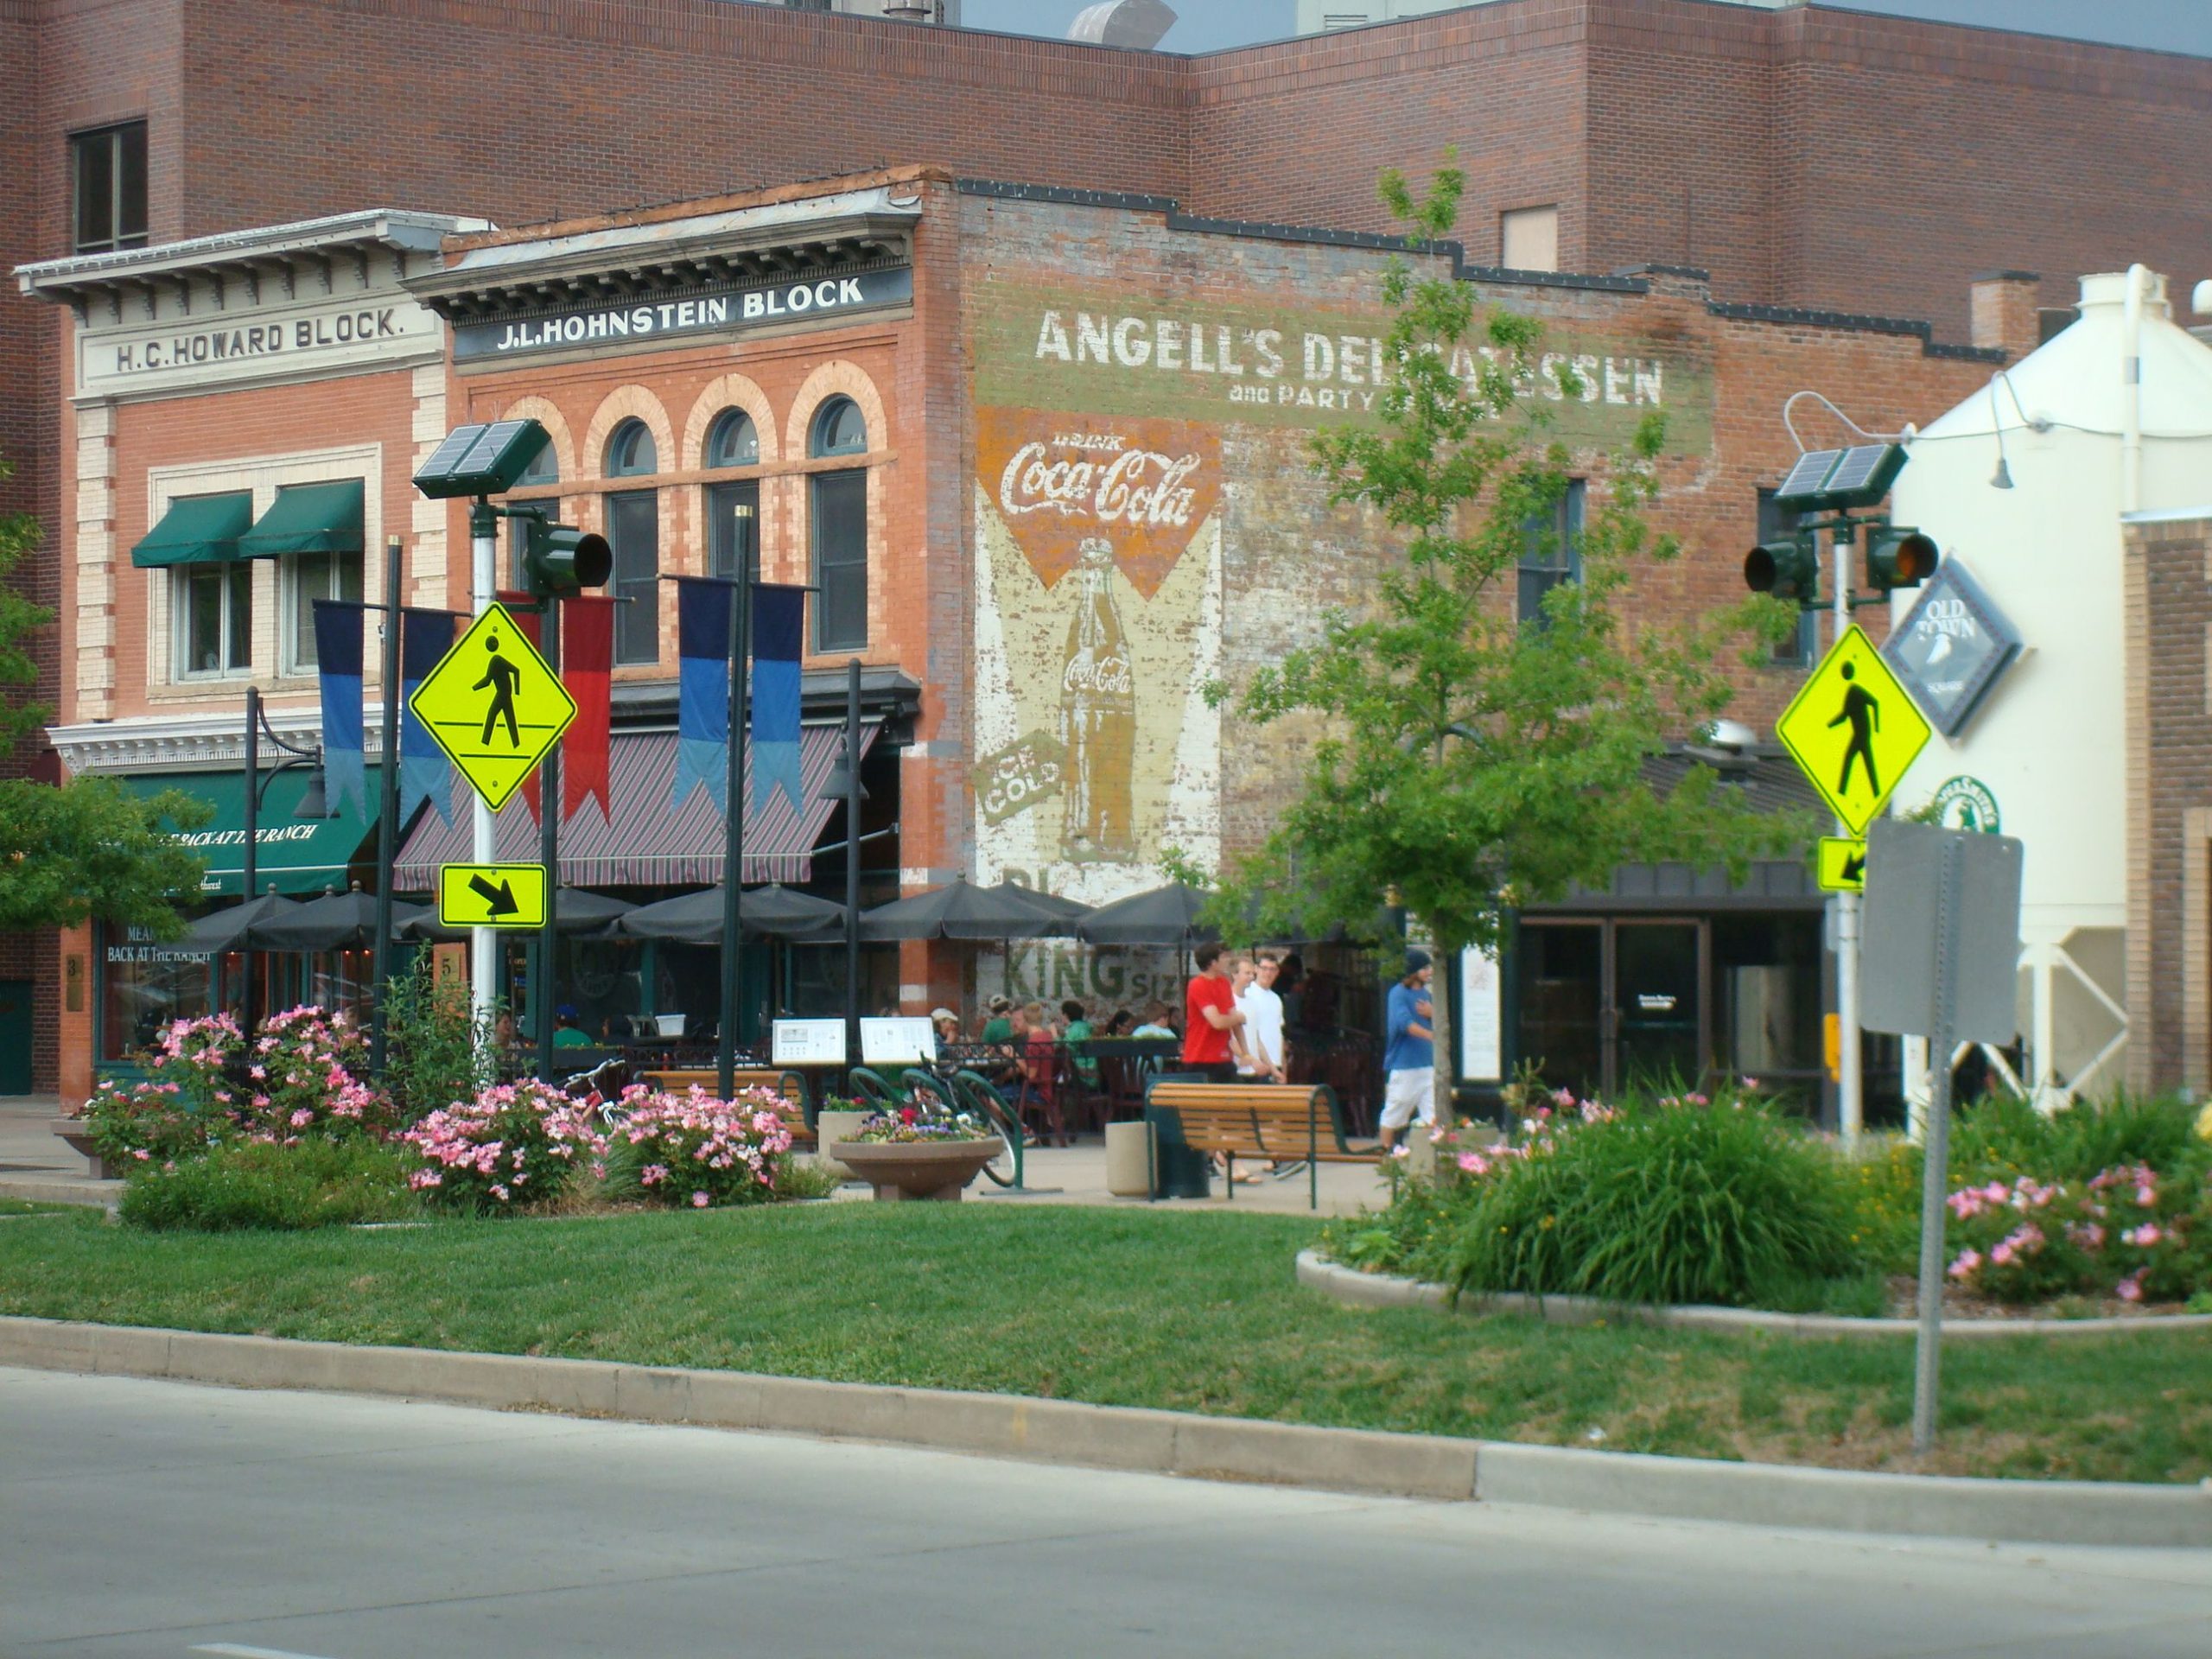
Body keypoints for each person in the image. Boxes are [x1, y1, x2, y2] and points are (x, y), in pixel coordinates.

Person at [1377, 950, 1436, 1153]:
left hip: (1428, 1062)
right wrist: (1431, 1035)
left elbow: (1441, 1020)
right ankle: (1387, 1151)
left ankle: (1430, 1155)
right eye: (1425, 968)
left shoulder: (1427, 996)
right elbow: (1405, 1024)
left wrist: (1433, 1013)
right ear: (1414, 971)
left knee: (1432, 1112)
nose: (1430, 972)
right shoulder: (1398, 993)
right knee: (1396, 1109)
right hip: (1404, 1064)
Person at [1181, 943, 1244, 1082]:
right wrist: (1239, 1017)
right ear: (1212, 962)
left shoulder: (1224, 983)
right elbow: (1217, 1022)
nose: (1227, 960)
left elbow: (1233, 1018)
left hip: (1223, 1056)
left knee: (1238, 1099)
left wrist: (1245, 1053)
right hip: (1200, 1057)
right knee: (1204, 1102)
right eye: (1223, 957)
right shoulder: (1197, 984)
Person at [1240, 953, 1288, 1086]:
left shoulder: (1276, 999)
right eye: (1264, 968)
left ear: (1277, 972)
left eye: (1272, 969)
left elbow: (1279, 1035)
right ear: (1256, 969)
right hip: (1256, 1067)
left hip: (1276, 1066)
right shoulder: (1247, 994)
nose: (1268, 973)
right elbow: (1246, 1034)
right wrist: (1256, 1061)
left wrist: (1283, 1069)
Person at [1060, 998, 1099, 1090]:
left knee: (1058, 1083)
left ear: (1066, 1015)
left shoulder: (1075, 1029)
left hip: (1083, 1076)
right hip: (1093, 1074)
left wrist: (1054, 1035)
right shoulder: (1084, 1027)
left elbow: (1063, 1045)